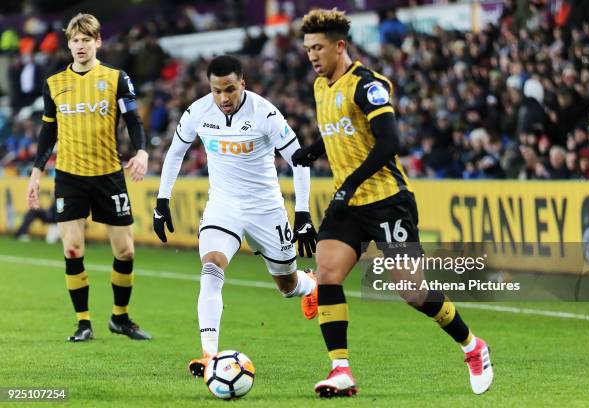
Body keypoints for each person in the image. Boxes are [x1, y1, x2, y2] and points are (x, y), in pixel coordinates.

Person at [293, 8, 493, 397]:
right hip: (348, 203)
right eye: (307, 49)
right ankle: (340, 370)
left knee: (414, 293)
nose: (312, 56)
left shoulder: (367, 84)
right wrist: (314, 151)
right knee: (328, 273)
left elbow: (389, 141)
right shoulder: (320, 87)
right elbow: (341, 130)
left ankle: (473, 346)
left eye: (318, 48)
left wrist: (348, 185)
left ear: (339, 46)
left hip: (387, 201)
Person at [152, 55, 318, 377]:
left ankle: (311, 285)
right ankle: (209, 356)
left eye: (230, 89)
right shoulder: (198, 112)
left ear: (243, 83)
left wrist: (303, 213)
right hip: (223, 205)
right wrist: (162, 200)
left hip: (265, 209)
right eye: (217, 91)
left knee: (287, 285)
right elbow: (175, 152)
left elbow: (299, 159)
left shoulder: (265, 113)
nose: (224, 98)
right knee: (211, 266)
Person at [26, 13, 151, 342]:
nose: (80, 46)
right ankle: (83, 322)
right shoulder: (54, 83)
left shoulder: (115, 78)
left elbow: (134, 121)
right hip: (69, 176)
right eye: (74, 40)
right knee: (72, 250)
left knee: (125, 252)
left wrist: (142, 152)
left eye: (86, 40)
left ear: (98, 42)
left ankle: (120, 318)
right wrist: (36, 174)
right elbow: (47, 131)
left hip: (109, 174)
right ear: (68, 44)